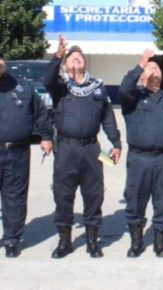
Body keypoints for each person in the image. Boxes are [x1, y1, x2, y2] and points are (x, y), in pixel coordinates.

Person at [45, 35, 121, 259]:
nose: (76, 59)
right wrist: (58, 55)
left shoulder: (97, 88)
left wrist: (115, 142)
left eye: (80, 57)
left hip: (91, 149)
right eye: (71, 57)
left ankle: (92, 241)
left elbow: (108, 117)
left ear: (85, 63)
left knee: (94, 194)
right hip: (66, 149)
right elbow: (47, 79)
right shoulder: (59, 88)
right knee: (63, 195)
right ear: (66, 65)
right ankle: (65, 242)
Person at [119, 49, 163, 258]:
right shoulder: (132, 97)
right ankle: (136, 243)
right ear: (142, 74)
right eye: (150, 66)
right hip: (138, 159)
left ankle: (160, 244)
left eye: (156, 66)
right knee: (135, 201)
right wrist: (140, 64)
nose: (153, 68)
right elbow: (123, 89)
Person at [0, 50, 53, 258]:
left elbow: (40, 112)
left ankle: (12, 239)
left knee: (15, 197)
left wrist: (46, 136)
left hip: (17, 151)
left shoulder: (22, 85)